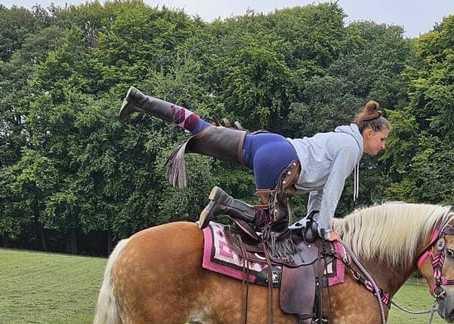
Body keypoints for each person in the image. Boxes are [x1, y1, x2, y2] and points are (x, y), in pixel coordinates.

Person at [119, 86, 390, 241]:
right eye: (382, 139)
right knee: (277, 225)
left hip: (269, 144)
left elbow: (320, 192)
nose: (382, 146)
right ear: (369, 133)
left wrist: (313, 218)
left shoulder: (339, 139)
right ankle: (224, 203)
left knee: (200, 127)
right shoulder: (351, 148)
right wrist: (324, 229)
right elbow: (331, 191)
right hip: (283, 161)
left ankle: (141, 100)